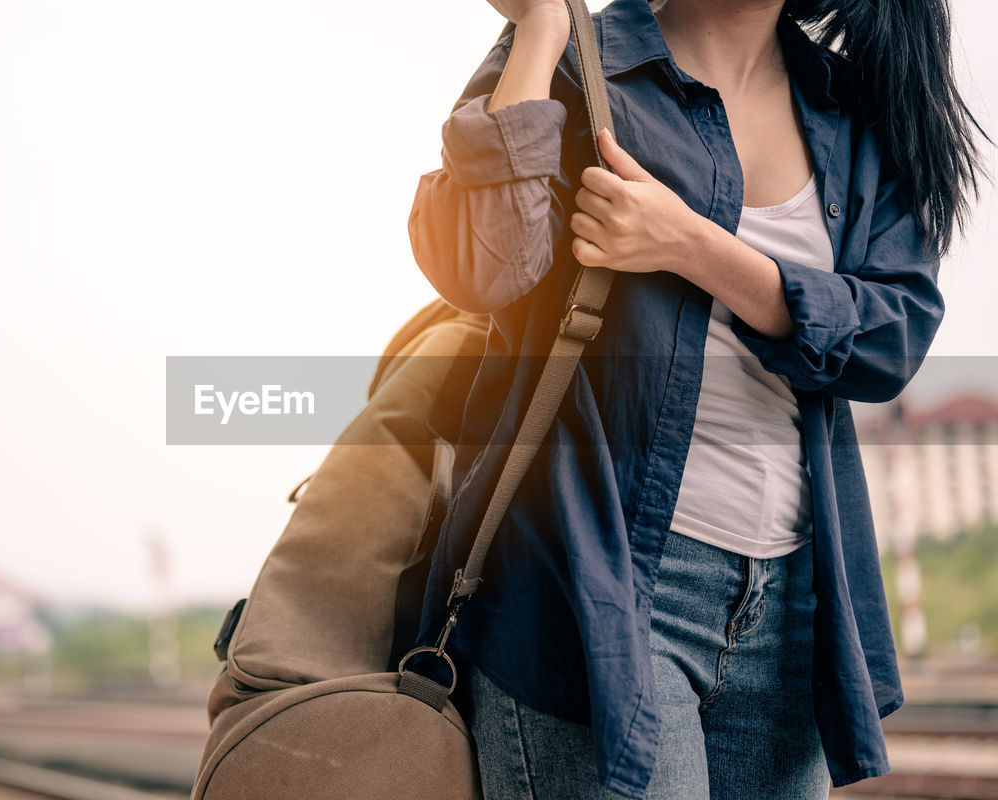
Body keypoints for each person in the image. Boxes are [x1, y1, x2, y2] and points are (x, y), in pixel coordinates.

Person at [406, 0, 990, 797]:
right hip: (595, 588)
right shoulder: (581, 63)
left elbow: (891, 338)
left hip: (791, 606)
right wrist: (541, 26)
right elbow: (481, 265)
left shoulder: (846, 109)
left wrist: (691, 246)